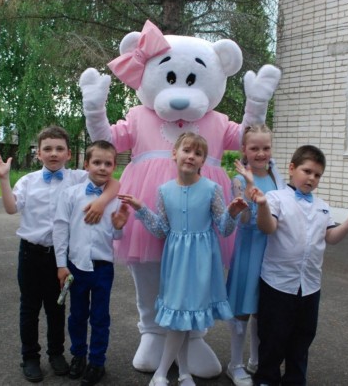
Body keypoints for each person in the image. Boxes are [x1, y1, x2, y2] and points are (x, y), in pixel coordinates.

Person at [0, 125, 119, 383]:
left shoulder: (79, 177)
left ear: (69, 154)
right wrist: (3, 179)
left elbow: (113, 182)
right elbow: (11, 208)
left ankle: (56, 354)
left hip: (61, 258)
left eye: (59, 149)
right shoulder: (28, 181)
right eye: (47, 149)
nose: (53, 153)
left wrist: (101, 202)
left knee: (57, 308)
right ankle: (30, 357)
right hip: (31, 254)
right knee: (29, 308)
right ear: (38, 153)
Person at [119, 132, 249, 386]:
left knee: (185, 319)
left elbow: (223, 229)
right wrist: (140, 208)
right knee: (180, 318)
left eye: (198, 153)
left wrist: (233, 213)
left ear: (203, 161)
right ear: (174, 154)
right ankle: (177, 373)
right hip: (176, 263)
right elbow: (161, 230)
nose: (191, 156)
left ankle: (172, 373)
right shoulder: (164, 190)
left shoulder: (211, 189)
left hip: (201, 263)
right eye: (186, 150)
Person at [247, 145, 348, 386]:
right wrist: (261, 205)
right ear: (292, 168)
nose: (311, 178)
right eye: (307, 171)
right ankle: (266, 378)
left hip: (310, 286)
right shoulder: (276, 198)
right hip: (278, 283)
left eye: (317, 175)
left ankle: (295, 379)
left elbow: (330, 237)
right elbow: (267, 227)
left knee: (302, 337)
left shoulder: (322, 206)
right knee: (273, 336)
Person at [53, 140, 131, 386]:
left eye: (108, 163)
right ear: (86, 164)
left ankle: (97, 362)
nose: (102, 168)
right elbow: (60, 229)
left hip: (102, 268)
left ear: (114, 167)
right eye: (97, 162)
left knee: (100, 317)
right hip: (76, 266)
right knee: (77, 316)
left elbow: (115, 235)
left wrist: (119, 227)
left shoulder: (115, 200)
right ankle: (78, 356)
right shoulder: (70, 195)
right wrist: (61, 264)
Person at [225, 124, 286, 386]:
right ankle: (235, 364)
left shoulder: (275, 175)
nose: (261, 153)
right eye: (254, 148)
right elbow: (245, 220)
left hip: (271, 250)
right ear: (244, 150)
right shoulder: (238, 180)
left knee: (262, 309)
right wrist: (250, 186)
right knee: (243, 308)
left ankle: (256, 360)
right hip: (249, 250)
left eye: (266, 147)